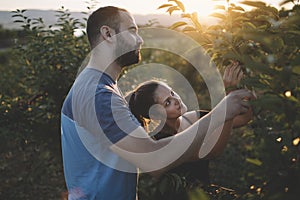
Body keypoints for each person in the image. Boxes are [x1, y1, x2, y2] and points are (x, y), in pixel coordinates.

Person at [61, 6, 255, 200]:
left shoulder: (96, 87)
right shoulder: (97, 94)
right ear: (108, 34)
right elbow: (153, 159)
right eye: (132, 30)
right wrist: (221, 112)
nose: (140, 39)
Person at [125, 62, 251, 199]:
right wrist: (228, 101)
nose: (176, 100)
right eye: (167, 103)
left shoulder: (194, 118)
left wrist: (242, 86)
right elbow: (212, 151)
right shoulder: (161, 142)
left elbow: (243, 119)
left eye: (172, 93)